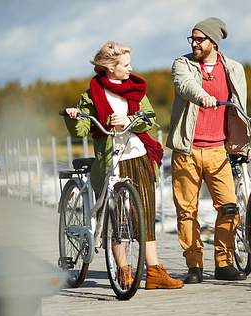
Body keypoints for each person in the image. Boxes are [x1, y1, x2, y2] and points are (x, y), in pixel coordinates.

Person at [64, 42, 184, 290]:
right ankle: (124, 271)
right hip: (112, 161)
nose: (131, 69)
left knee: (146, 213)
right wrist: (74, 118)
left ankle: (154, 272)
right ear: (110, 67)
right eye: (126, 65)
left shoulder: (136, 90)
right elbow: (84, 129)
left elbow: (149, 119)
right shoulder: (91, 95)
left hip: (138, 156)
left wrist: (128, 120)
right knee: (118, 218)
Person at [166, 17, 251, 283]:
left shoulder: (234, 69)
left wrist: (243, 144)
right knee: (186, 211)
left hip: (218, 152)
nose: (194, 43)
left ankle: (224, 264)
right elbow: (184, 85)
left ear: (213, 42)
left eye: (199, 39)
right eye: (191, 39)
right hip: (186, 151)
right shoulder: (183, 64)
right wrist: (201, 93)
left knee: (229, 207)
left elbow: (240, 110)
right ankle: (195, 266)